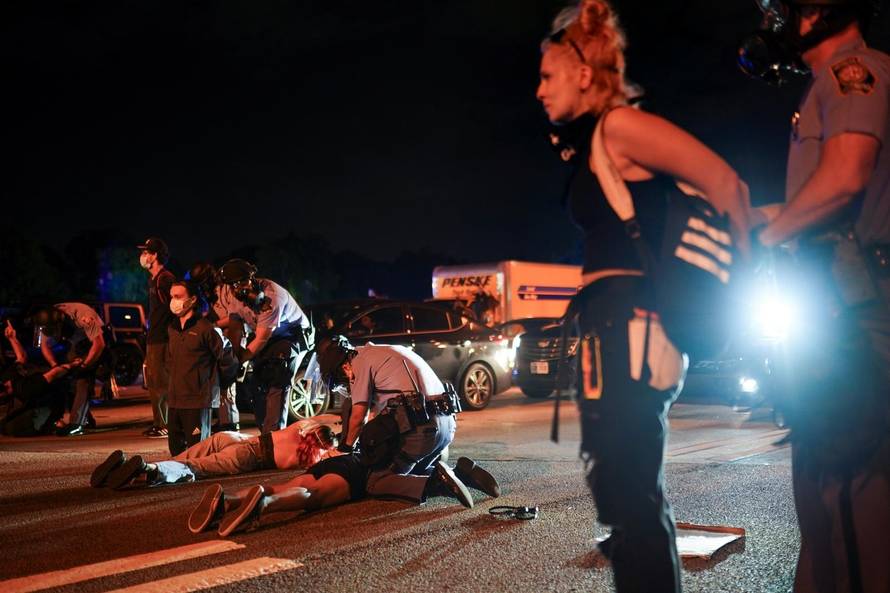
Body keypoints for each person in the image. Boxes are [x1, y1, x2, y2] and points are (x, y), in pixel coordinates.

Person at [536, 2, 753, 592]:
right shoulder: (593, 141)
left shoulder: (619, 126)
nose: (538, 90)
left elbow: (728, 185)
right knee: (621, 496)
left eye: (548, 75)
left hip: (635, 328)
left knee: (632, 498)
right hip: (612, 330)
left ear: (584, 74)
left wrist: (747, 280)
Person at [742, 1, 890, 591]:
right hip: (832, 304)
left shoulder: (853, 70)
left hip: (857, 308)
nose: (778, 20)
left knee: (852, 499)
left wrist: (768, 235)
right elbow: (821, 200)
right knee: (823, 498)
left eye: (789, 7)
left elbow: (846, 177)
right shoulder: (824, 86)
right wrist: (744, 224)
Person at [316, 335, 500, 508]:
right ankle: (461, 474)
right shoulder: (384, 351)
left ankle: (437, 482)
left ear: (343, 366)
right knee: (411, 473)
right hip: (447, 425)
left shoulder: (358, 362)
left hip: (422, 431)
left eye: (340, 378)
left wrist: (344, 449)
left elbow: (359, 415)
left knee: (376, 481)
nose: (345, 382)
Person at [89, 414, 340, 489]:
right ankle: (148, 470)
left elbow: (324, 416)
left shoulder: (300, 428)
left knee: (184, 458)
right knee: (194, 469)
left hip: (235, 438)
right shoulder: (305, 458)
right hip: (247, 457)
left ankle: (124, 468)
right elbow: (333, 457)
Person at [215, 259, 311, 433]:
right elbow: (235, 325)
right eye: (232, 285)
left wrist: (242, 358)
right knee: (257, 384)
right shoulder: (233, 296)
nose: (238, 289)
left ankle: (274, 436)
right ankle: (264, 433)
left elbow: (261, 339)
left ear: (252, 278)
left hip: (290, 334)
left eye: (242, 283)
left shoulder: (271, 297)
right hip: (265, 333)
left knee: (276, 379)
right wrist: (236, 356)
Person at [164, 280, 231, 456]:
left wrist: (219, 387)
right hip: (175, 401)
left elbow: (226, 358)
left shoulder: (206, 329)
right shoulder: (172, 329)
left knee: (198, 455)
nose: (174, 301)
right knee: (176, 454)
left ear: (193, 299)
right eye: (172, 297)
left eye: (178, 296)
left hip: (197, 401)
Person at [32, 302, 107, 436]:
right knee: (67, 378)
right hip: (76, 344)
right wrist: (55, 365)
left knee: (82, 380)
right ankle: (85, 418)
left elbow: (99, 344)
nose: (54, 335)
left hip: (95, 342)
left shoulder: (83, 315)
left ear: (61, 323)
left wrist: (85, 365)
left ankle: (77, 423)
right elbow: (45, 346)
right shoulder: (48, 319)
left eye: (55, 331)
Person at [0, 320, 78, 436]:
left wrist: (12, 339)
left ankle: (53, 420)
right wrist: (12, 339)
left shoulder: (24, 386)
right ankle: (50, 422)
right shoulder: (14, 381)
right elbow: (22, 358)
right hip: (34, 402)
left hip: (48, 394)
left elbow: (53, 373)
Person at [188, 262, 240, 431]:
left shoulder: (225, 289)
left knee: (228, 379)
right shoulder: (209, 293)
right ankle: (224, 420)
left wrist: (213, 324)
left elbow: (234, 317)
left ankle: (231, 422)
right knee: (218, 380)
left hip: (233, 335)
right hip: (220, 336)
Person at [137, 237, 176, 439]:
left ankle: (166, 425)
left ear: (155, 255)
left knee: (161, 383)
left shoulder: (165, 279)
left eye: (146, 252)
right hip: (154, 339)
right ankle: (159, 422)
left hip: (163, 339)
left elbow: (176, 308)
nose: (142, 256)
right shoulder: (153, 279)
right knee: (154, 383)